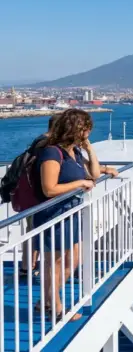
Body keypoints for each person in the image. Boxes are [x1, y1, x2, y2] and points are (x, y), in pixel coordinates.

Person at [36, 109, 116, 321]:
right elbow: (49, 189)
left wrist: (89, 148)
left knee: (73, 260)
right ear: (74, 128)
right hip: (53, 215)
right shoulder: (52, 152)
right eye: (85, 128)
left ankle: (46, 299)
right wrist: (80, 183)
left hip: (71, 212)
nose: (88, 132)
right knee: (56, 263)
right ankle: (56, 308)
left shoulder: (74, 152)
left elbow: (95, 174)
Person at [20, 113, 60, 278]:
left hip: (33, 196)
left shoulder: (39, 142)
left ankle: (27, 267)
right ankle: (28, 267)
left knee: (32, 231)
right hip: (38, 196)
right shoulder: (46, 145)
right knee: (35, 232)